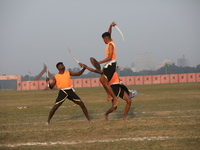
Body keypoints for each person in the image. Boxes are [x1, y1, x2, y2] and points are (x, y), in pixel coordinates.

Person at [98, 22, 119, 107]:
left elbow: (110, 57)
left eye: (103, 40)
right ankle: (109, 95)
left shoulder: (110, 45)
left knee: (103, 80)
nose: (104, 41)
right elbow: (109, 33)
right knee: (102, 80)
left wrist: (98, 62)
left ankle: (114, 97)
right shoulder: (111, 41)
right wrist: (110, 26)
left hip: (111, 64)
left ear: (105, 39)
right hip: (109, 64)